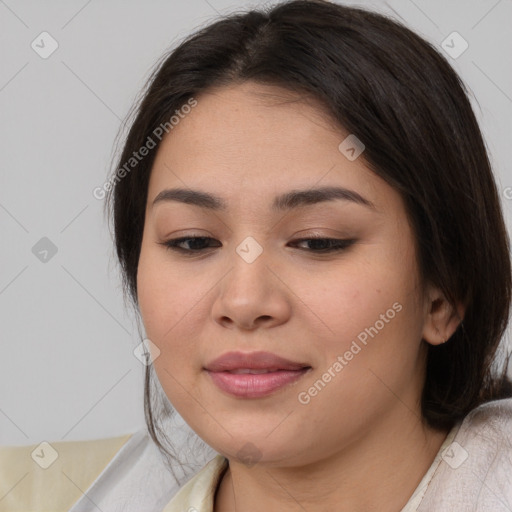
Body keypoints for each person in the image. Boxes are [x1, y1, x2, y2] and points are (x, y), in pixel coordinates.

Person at [2, 1, 511, 511]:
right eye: (192, 241)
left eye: (317, 241)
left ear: (444, 295)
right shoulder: (29, 494)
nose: (244, 302)